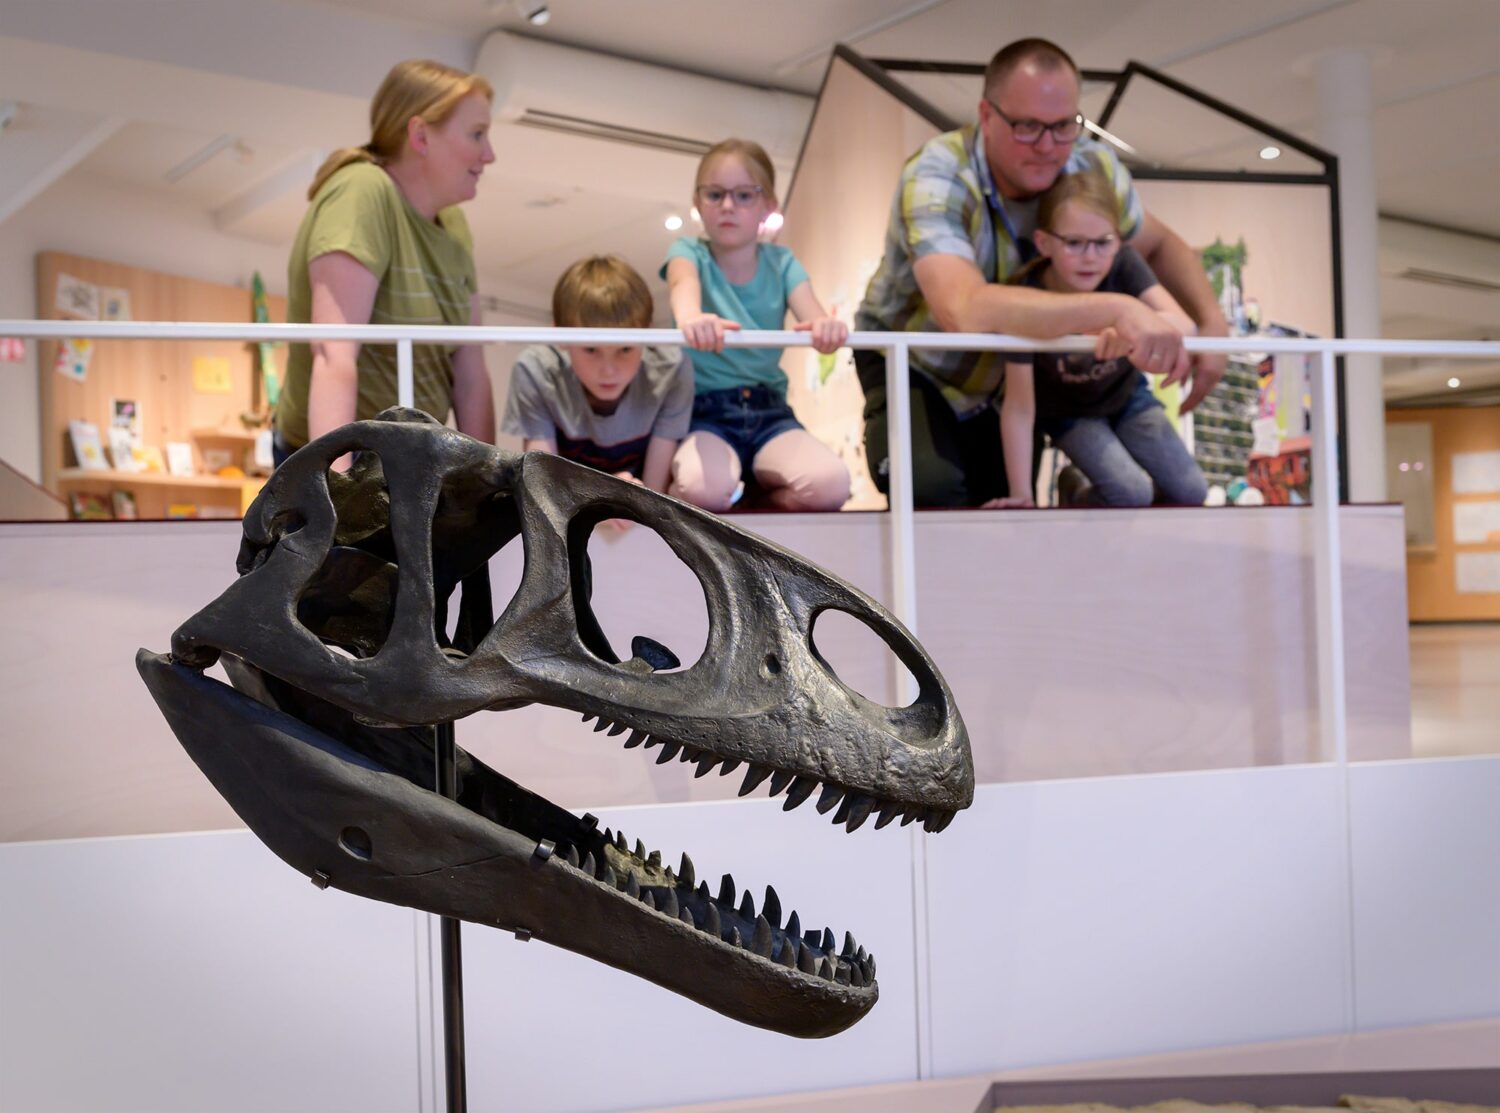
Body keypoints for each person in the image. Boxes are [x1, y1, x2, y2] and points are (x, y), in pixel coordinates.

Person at [855, 37, 1228, 507]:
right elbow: (962, 310)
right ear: (987, 116)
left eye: (1063, 126)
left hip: (1016, 374)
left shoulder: (1090, 166)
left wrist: (1213, 326)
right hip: (918, 362)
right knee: (932, 492)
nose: (1048, 146)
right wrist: (1117, 309)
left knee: (1012, 510)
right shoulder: (938, 175)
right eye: (1028, 127)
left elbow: (1161, 245)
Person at [274, 59, 496, 466]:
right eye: (477, 134)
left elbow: (470, 371)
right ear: (420, 135)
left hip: (418, 462)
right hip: (353, 458)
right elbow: (333, 354)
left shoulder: (455, 224)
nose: (490, 155)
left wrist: (488, 483)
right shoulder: (361, 190)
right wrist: (333, 488)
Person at [994, 163, 1209, 508]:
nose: (1090, 257)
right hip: (1068, 412)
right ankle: (1074, 493)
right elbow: (1018, 405)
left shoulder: (1123, 263)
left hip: (1127, 399)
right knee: (1131, 492)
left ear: (1118, 241)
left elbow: (1183, 324)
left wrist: (1133, 325)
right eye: (1075, 243)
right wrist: (1021, 493)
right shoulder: (1027, 296)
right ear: (1044, 243)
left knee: (1192, 491)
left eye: (1102, 243)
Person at [661, 139, 851, 512]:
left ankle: (753, 499)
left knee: (831, 485)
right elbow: (683, 287)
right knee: (702, 489)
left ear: (768, 206)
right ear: (698, 202)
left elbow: (811, 314)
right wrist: (691, 319)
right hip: (705, 411)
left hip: (769, 410)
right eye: (715, 194)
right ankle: (704, 497)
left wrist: (825, 329)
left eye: (744, 195)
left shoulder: (781, 262)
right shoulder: (688, 252)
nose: (728, 205)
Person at [502, 255, 693, 493]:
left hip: (635, 508)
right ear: (559, 337)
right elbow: (545, 484)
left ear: (648, 336)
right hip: (572, 503)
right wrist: (600, 496)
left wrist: (630, 500)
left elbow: (655, 493)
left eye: (625, 349)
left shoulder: (671, 369)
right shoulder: (536, 371)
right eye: (591, 350)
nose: (608, 370)